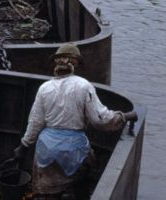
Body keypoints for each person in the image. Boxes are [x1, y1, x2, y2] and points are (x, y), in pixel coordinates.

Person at [13, 43, 138, 199]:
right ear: (76, 63)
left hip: (47, 149)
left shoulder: (44, 88)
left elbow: (35, 123)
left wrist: (23, 146)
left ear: (56, 63)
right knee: (82, 184)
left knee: (50, 194)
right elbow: (100, 120)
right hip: (74, 150)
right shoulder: (83, 86)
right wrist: (124, 116)